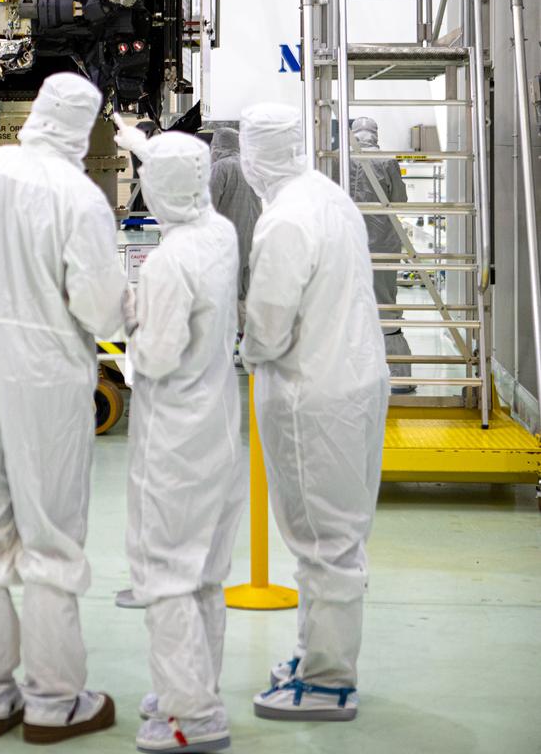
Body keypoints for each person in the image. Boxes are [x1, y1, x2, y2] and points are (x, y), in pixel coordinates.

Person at [0, 73, 129, 744]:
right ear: (85, 126)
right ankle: (53, 704)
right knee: (49, 539)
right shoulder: (78, 196)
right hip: (42, 370)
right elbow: (100, 307)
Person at [239, 104, 389, 722]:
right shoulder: (328, 196)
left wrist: (244, 351)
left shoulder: (283, 220)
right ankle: (315, 657)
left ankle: (328, 682)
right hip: (354, 379)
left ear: (252, 155)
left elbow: (269, 326)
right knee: (339, 535)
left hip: (313, 394)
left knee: (322, 541)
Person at [114, 119, 245, 754]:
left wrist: (131, 328)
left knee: (167, 576)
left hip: (176, 440)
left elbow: (158, 358)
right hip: (218, 426)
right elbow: (176, 182)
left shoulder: (167, 265)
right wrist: (143, 143)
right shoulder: (219, 234)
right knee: (204, 576)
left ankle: (190, 719)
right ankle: (190, 686)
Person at [349, 116, 414, 392]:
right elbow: (400, 200)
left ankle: (354, 377)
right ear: (376, 133)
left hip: (349, 241)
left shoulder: (341, 158)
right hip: (384, 243)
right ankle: (399, 377)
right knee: (385, 304)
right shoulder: (388, 159)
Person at [210, 127, 261, 328]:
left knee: (226, 293)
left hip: (227, 242)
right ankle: (250, 347)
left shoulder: (221, 168)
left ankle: (231, 345)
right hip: (253, 239)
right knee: (248, 293)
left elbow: (208, 206)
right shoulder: (251, 167)